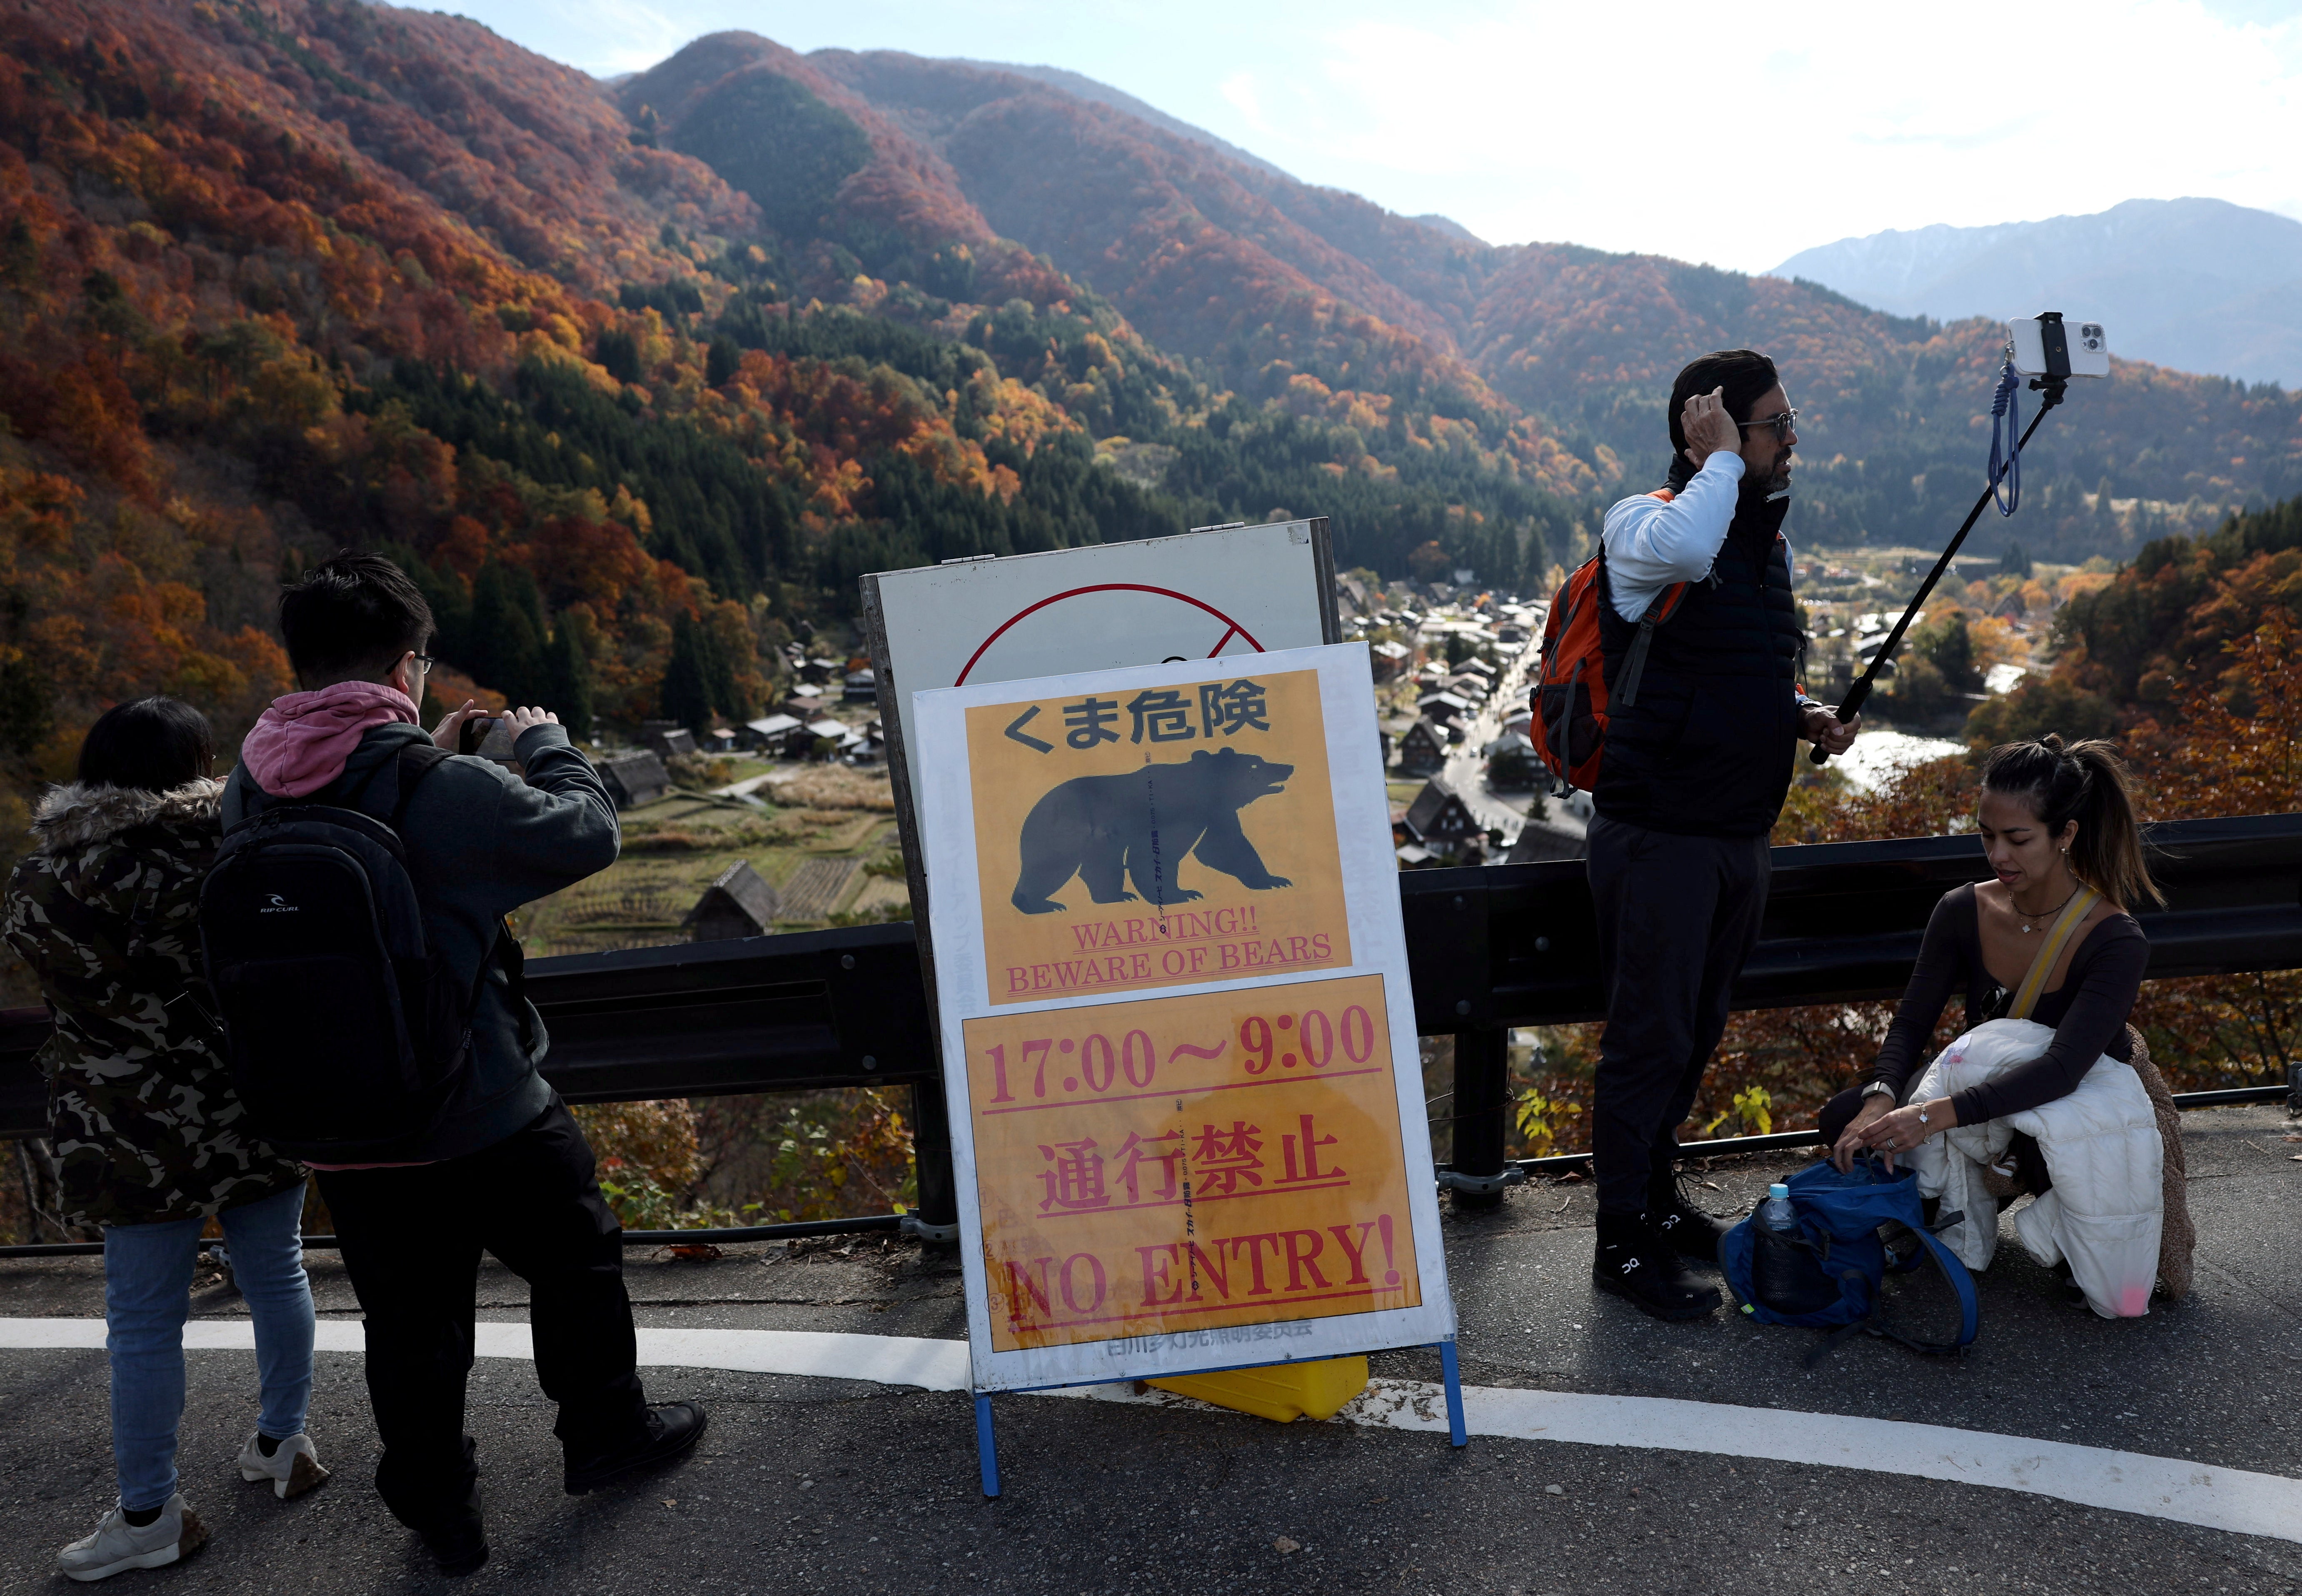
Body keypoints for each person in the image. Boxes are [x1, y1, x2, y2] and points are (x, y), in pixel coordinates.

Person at [222, 552, 703, 1577]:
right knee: (575, 1256)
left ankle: (442, 1513)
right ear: (410, 664)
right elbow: (587, 835)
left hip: (340, 1122)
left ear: (302, 665)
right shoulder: (441, 786)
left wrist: (423, 750)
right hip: (478, 1101)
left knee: (409, 1319)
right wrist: (550, 749)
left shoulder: (250, 781)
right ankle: (606, 1433)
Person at [5, 698, 325, 1583]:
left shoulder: (47, 878)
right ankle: (284, 1441)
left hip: (129, 1128)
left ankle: (150, 1512)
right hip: (253, 1102)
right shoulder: (235, 853)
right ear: (199, 765)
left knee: (143, 1322)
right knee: (279, 1270)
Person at [1585, 348, 1861, 1321]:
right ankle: (1619, 1243)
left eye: (1791, 421)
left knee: (1693, 1032)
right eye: (1775, 424)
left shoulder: (1764, 547)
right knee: (1647, 1041)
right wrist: (1715, 466)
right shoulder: (1643, 524)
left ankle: (1656, 1206)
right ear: (1711, 431)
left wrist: (1802, 713)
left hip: (1736, 834)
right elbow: (1688, 554)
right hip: (1660, 835)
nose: (1792, 439)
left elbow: (1737, 667)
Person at [1825, 736, 2189, 1304]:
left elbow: (2065, 1068)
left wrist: (1932, 1116)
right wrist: (1881, 1099)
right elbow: (1911, 1023)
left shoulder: (2114, 937)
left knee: (2065, 1170)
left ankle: (2056, 1226)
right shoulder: (1962, 909)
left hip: (2070, 1105)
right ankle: (1939, 1205)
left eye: (2017, 839)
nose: (1998, 856)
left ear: (2064, 834)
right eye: (1987, 836)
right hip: (1984, 1100)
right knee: (1846, 1122)